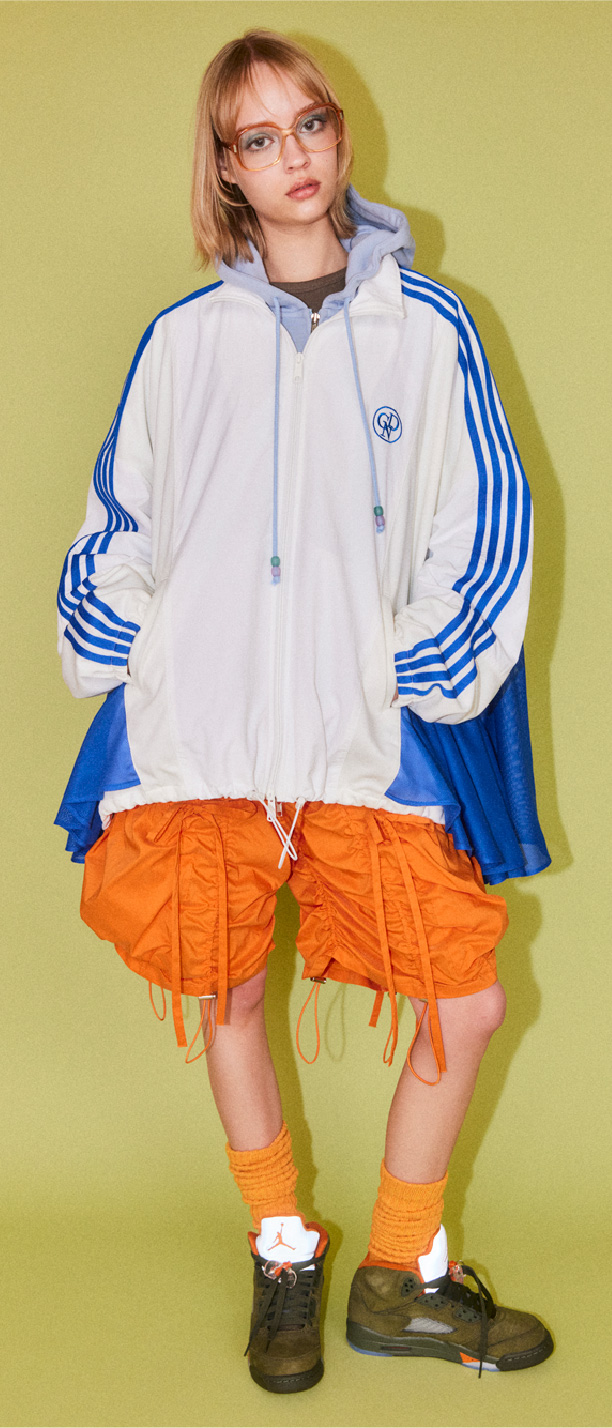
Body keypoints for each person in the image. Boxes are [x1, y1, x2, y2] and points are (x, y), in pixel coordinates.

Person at [56, 28, 554, 1394]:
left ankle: (400, 1273)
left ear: (341, 133)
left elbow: (484, 521)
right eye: (258, 137)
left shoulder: (430, 329)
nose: (294, 156)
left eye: (311, 124)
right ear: (226, 166)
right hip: (203, 742)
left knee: (464, 1000)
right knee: (226, 990)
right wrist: (137, 651)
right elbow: (120, 521)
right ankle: (283, 1246)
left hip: (359, 738)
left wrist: (415, 669)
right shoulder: (183, 341)